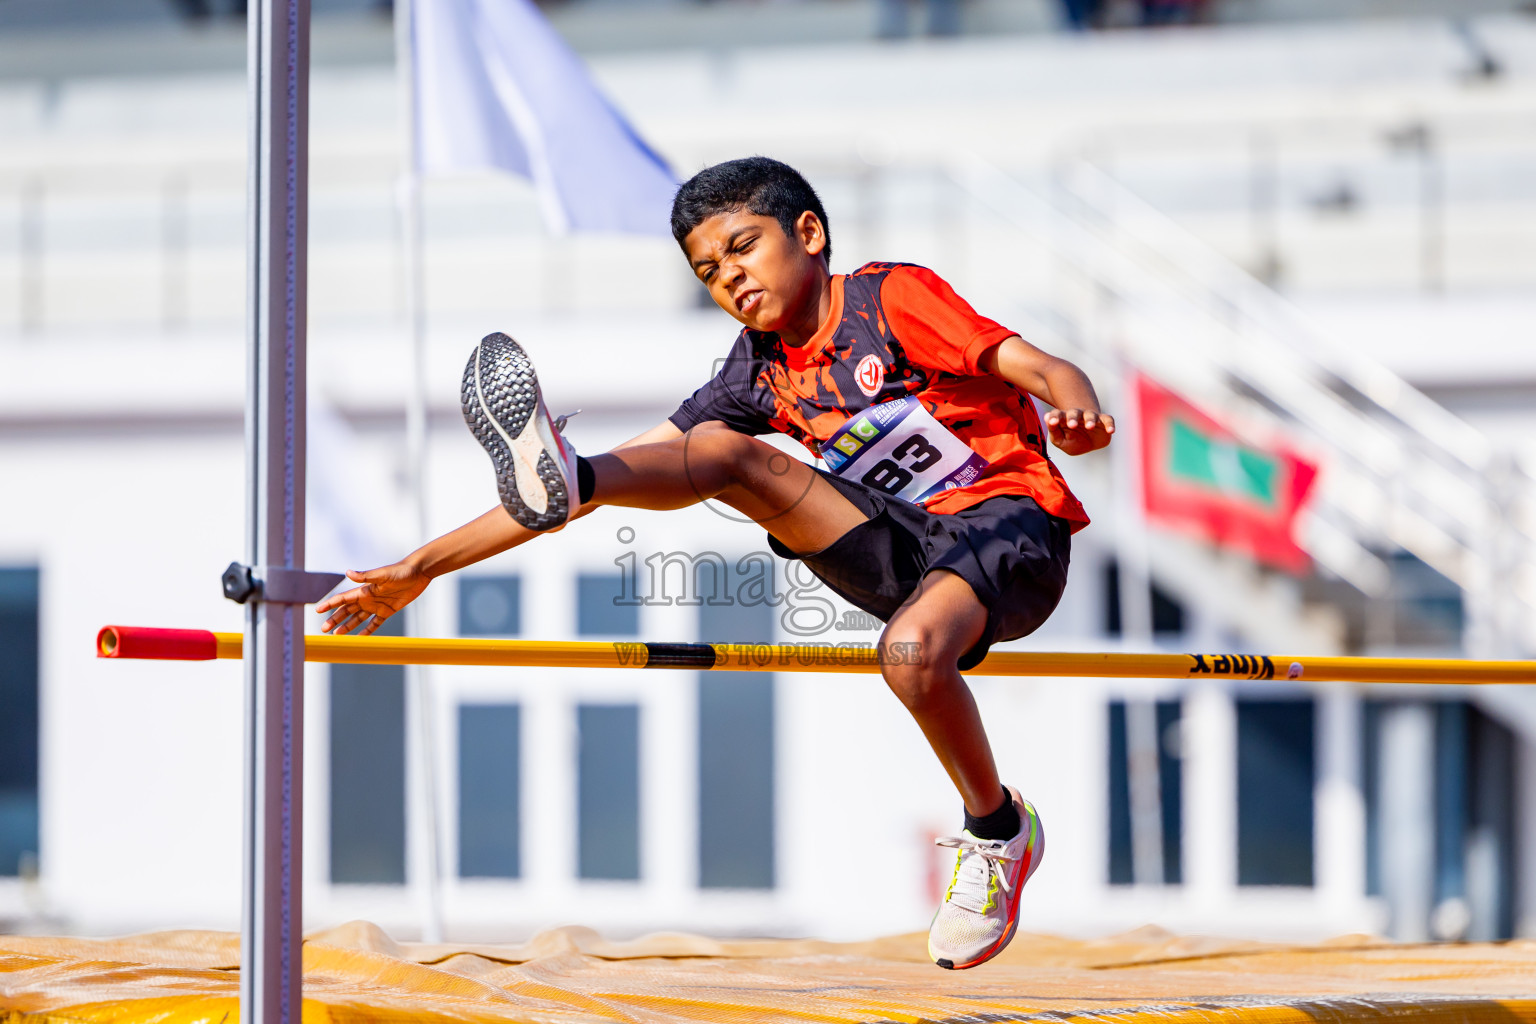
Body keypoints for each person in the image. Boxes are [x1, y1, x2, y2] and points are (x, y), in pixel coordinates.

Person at [317, 157, 1114, 970]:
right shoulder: (758, 371)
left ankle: (997, 832)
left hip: (1011, 530)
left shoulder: (890, 300)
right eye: (708, 270)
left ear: (809, 234)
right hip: (901, 553)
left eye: (743, 248)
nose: (729, 277)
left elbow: (1039, 365)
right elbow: (652, 463)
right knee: (717, 455)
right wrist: (421, 566)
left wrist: (1074, 404)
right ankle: (571, 464)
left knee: (910, 655)